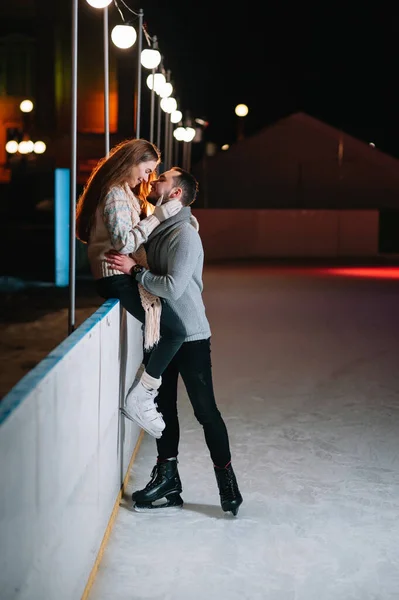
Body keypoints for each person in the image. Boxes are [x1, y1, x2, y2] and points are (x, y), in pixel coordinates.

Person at [104, 167, 243, 517]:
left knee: (205, 410)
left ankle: (227, 482)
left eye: (162, 179)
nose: (155, 181)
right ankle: (168, 481)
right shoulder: (159, 226)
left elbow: (172, 287)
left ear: (176, 194)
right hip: (160, 329)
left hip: (190, 336)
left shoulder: (184, 235)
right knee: (163, 407)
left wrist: (133, 271)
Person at [75, 139, 188, 439]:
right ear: (132, 161)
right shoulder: (114, 194)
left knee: (168, 324)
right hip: (114, 276)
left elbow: (146, 222)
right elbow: (126, 243)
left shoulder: (125, 192)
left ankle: (147, 394)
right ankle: (142, 397)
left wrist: (180, 220)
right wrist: (157, 217)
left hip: (124, 275)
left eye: (153, 173)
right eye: (147, 169)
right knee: (175, 329)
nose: (147, 178)